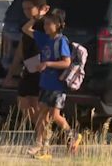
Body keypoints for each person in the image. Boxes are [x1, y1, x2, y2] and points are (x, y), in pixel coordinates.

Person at [22, 9, 82, 156]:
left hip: (57, 86)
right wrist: (37, 17)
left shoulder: (61, 41)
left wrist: (47, 64)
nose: (46, 26)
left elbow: (66, 62)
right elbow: (25, 29)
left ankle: (72, 135)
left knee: (55, 115)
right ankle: (40, 145)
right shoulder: (44, 38)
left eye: (49, 24)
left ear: (59, 25)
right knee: (41, 115)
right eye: (45, 23)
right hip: (45, 84)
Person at [2, 0, 49, 126]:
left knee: (37, 103)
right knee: (24, 102)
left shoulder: (45, 25)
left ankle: (43, 136)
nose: (27, 12)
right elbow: (20, 51)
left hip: (41, 68)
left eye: (30, 8)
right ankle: (42, 132)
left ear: (41, 8)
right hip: (29, 67)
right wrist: (11, 73)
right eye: (24, 9)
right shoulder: (28, 23)